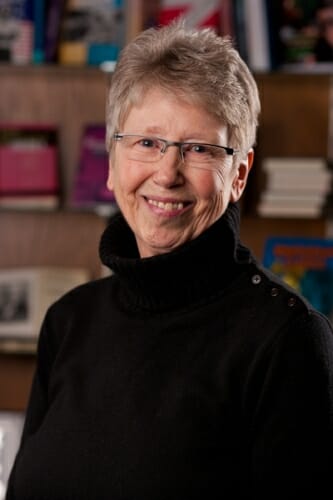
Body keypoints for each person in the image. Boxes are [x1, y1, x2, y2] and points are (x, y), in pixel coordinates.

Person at [6, 21, 333, 500]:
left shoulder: (288, 340)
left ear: (239, 174)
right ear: (113, 164)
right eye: (146, 142)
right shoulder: (69, 321)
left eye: (198, 148)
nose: (166, 172)